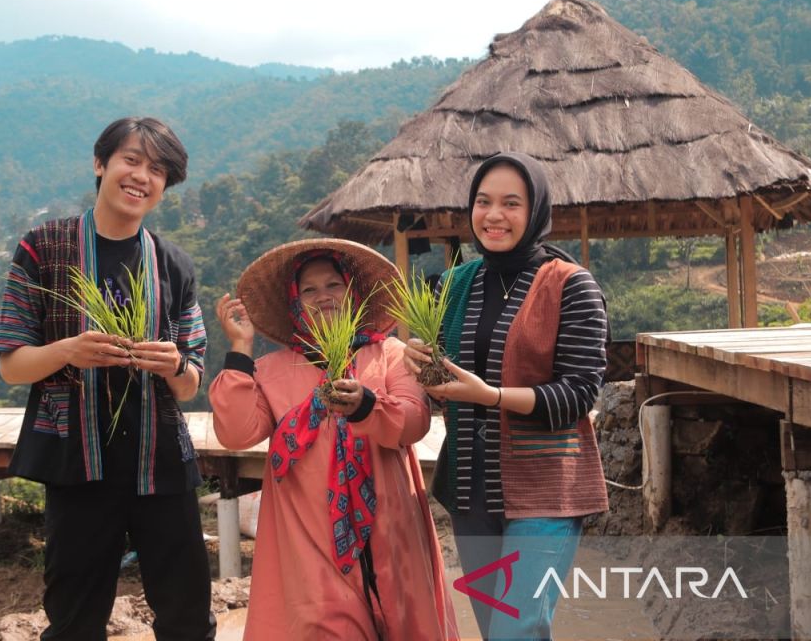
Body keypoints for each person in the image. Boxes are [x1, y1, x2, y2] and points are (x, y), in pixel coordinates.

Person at [0, 117, 214, 641]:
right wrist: (69, 350)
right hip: (78, 464)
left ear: (166, 185)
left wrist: (175, 366)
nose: (141, 177)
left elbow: (192, 381)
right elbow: (10, 365)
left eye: (157, 170)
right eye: (131, 160)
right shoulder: (43, 249)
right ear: (101, 164)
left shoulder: (173, 264)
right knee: (74, 621)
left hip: (160, 464)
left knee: (187, 618)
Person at [210, 238, 458, 641]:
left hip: (391, 537)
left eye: (333, 285)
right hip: (310, 546)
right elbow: (236, 432)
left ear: (352, 291)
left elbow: (414, 421)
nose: (322, 296)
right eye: (309, 289)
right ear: (294, 301)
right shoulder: (271, 370)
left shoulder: (389, 355)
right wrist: (240, 350)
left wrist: (367, 407)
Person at [405, 152, 609, 641]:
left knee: (515, 632)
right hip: (470, 489)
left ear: (535, 210)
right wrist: (423, 370)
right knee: (495, 629)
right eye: (483, 201)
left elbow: (579, 393)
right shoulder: (454, 286)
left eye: (511, 203)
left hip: (544, 492)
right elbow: (443, 393)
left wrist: (492, 395)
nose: (494, 215)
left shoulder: (571, 286)